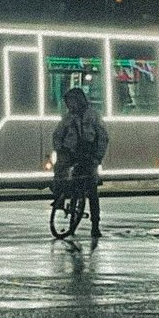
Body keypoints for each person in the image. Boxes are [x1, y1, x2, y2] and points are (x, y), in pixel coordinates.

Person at [52, 87, 109, 237]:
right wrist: (60, 150)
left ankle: (95, 225)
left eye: (72, 102)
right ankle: (59, 196)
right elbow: (57, 135)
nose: (70, 105)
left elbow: (103, 137)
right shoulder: (68, 118)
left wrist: (97, 157)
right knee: (59, 169)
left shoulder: (93, 116)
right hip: (71, 152)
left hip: (89, 155)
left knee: (92, 190)